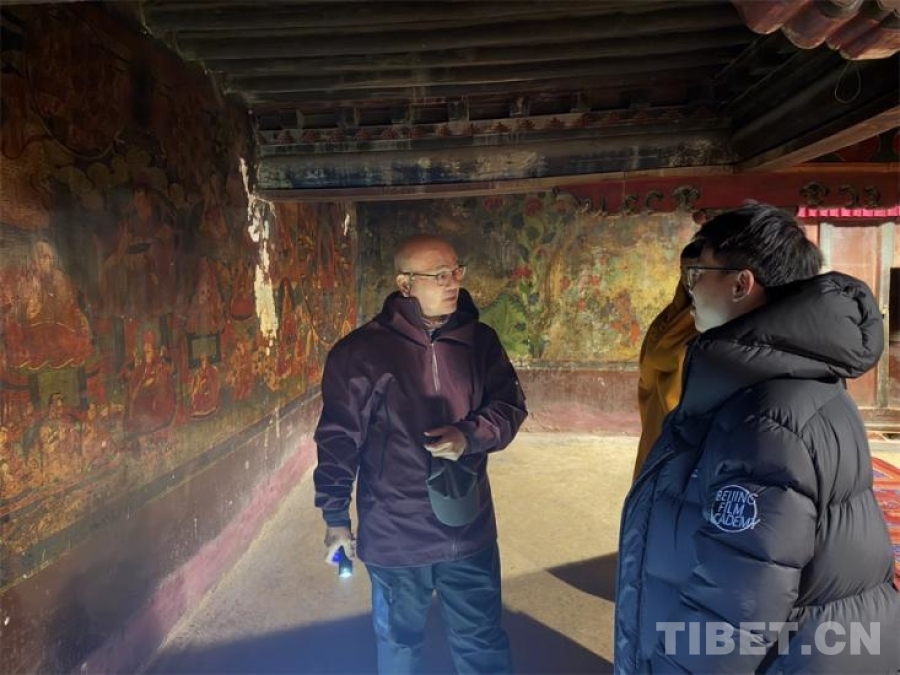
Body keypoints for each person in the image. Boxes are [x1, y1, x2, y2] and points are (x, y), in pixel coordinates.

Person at [615, 204, 900, 672]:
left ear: (740, 284)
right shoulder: (800, 383)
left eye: (697, 276)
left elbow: (735, 607)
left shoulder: (764, 418)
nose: (690, 292)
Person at [313, 233, 527, 674]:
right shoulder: (359, 353)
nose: (453, 282)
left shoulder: (480, 342)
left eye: (456, 271)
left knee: (481, 642)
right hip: (396, 531)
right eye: (439, 275)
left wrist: (469, 435)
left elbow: (510, 407)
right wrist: (335, 517)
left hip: (467, 526)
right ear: (405, 284)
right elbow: (338, 440)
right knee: (399, 645)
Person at [633, 239, 700, 482]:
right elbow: (647, 370)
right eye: (684, 272)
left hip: (683, 430)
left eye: (697, 273)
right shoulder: (670, 317)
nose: (689, 282)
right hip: (655, 420)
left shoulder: (710, 324)